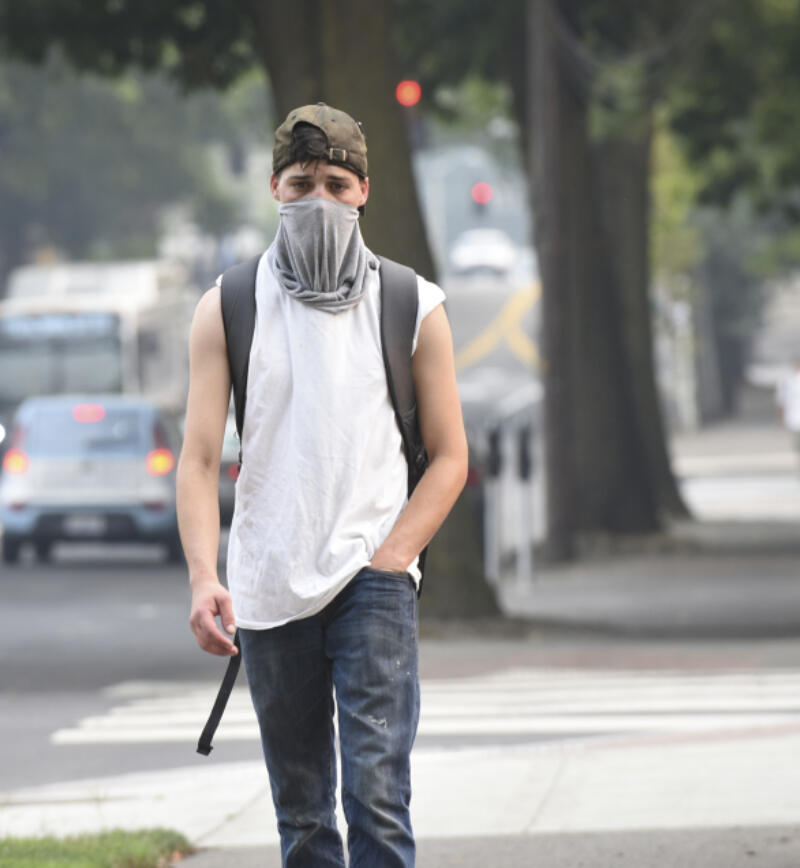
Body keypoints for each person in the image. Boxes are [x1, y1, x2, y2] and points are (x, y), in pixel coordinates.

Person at [176, 103, 468, 868]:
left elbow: (450, 456)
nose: (320, 201)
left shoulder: (412, 304)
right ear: (274, 187)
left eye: (337, 183)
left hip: (372, 579)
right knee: (303, 818)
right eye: (303, 183)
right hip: (270, 587)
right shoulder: (228, 305)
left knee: (377, 797)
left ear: (364, 190)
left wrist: (391, 556)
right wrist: (206, 576)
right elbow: (201, 459)